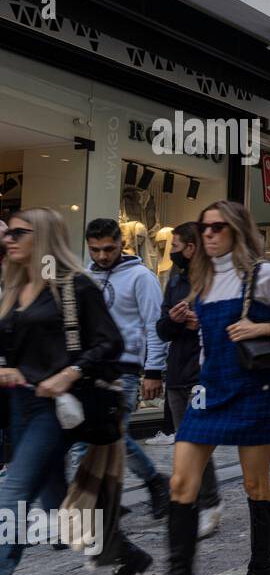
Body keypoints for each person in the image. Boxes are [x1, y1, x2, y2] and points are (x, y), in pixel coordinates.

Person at [131, 201, 270, 575]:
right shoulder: (202, 277)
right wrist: (191, 322)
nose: (208, 235)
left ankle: (262, 572)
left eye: (216, 228)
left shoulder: (262, 274)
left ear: (236, 231)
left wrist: (263, 327)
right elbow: (209, 337)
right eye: (204, 228)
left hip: (253, 387)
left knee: (255, 483)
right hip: (208, 389)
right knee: (180, 483)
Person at [0, 208, 146, 575]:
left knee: (11, 499)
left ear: (42, 237)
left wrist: (70, 373)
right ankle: (125, 555)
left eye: (17, 233)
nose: (9, 239)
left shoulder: (74, 285)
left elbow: (110, 342)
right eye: (7, 233)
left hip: (55, 409)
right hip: (18, 407)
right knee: (59, 507)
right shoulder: (15, 287)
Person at [75, 218, 169, 519]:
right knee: (96, 437)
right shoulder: (84, 277)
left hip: (124, 369)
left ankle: (87, 507)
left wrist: (154, 370)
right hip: (88, 368)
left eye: (108, 249)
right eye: (95, 250)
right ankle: (103, 500)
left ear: (120, 244)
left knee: (110, 435)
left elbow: (155, 325)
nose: (102, 256)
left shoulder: (141, 277)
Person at [156, 222, 223, 540]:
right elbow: (161, 328)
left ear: (191, 248)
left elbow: (230, 328)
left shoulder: (215, 281)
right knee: (185, 442)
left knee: (195, 442)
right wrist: (174, 320)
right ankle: (191, 501)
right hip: (177, 372)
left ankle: (207, 504)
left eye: (176, 245)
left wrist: (201, 323)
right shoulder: (175, 279)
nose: (172, 250)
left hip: (202, 374)